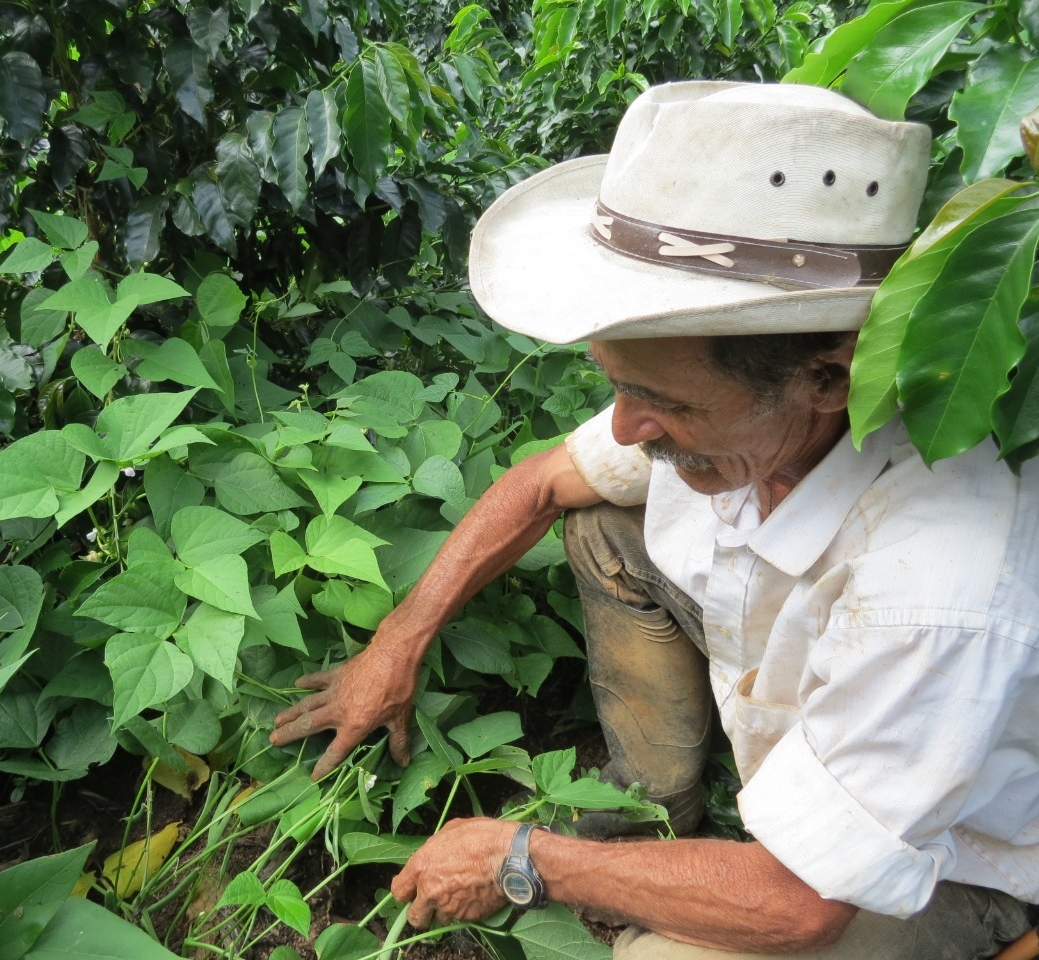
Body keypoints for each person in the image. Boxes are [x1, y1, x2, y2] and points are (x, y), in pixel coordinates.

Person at [269, 81, 1039, 956]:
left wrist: (522, 857)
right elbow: (540, 483)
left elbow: (802, 903)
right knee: (603, 526)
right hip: (831, 750)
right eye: (617, 384)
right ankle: (648, 803)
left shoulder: (937, 579)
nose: (626, 427)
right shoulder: (749, 406)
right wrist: (397, 642)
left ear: (831, 377)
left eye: (657, 399)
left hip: (947, 865)